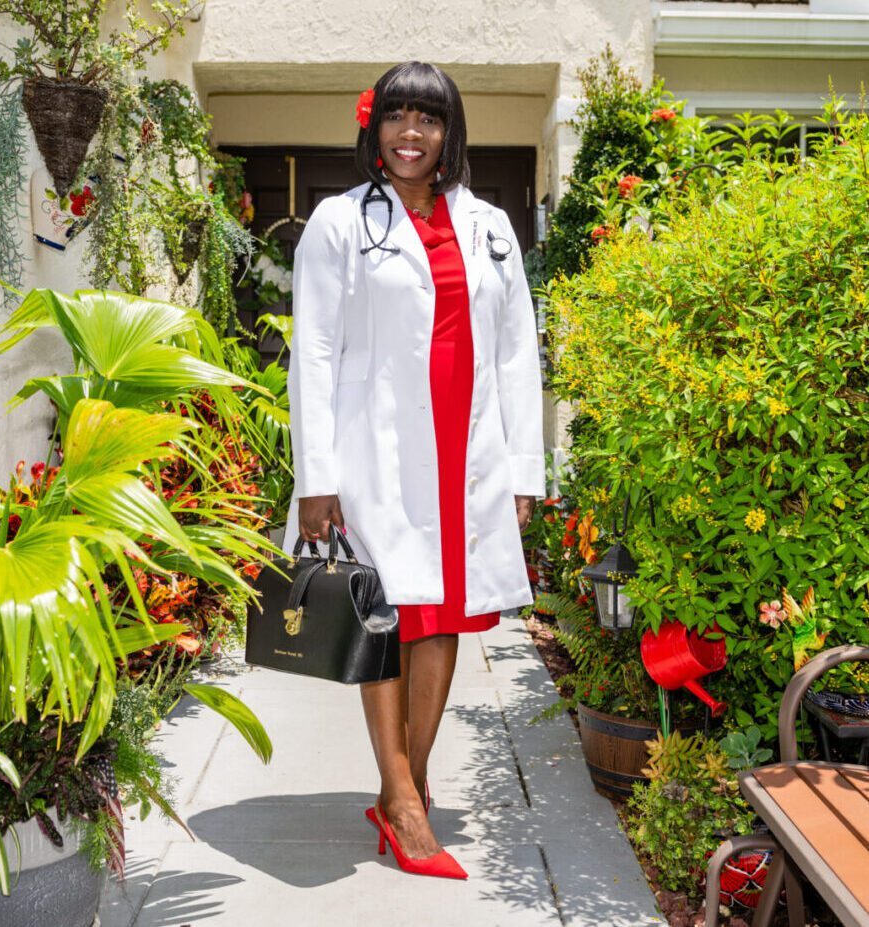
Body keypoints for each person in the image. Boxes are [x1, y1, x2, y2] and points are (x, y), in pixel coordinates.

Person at [282, 60, 546, 879]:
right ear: (375, 129)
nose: (409, 131)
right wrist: (316, 475)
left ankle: (411, 777)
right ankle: (400, 798)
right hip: (376, 454)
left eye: (426, 118)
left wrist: (523, 471)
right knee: (387, 619)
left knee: (442, 620)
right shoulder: (338, 220)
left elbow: (514, 352)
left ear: (447, 133)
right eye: (395, 114)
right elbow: (315, 351)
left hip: (465, 458)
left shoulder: (490, 225)